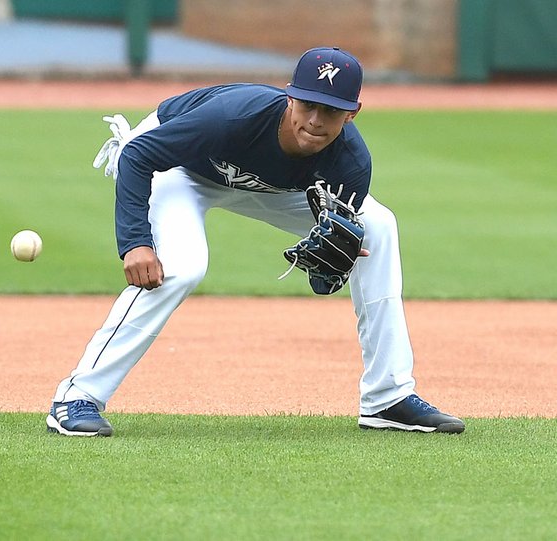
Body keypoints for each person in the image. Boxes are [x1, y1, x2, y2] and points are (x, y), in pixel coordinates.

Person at [46, 47, 465, 437]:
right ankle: (78, 396)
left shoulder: (351, 165)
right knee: (182, 266)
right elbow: (139, 155)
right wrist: (135, 242)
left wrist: (334, 260)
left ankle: (387, 397)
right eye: (308, 105)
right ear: (289, 99)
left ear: (353, 113)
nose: (316, 120)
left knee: (379, 224)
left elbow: (326, 277)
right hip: (179, 167)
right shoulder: (231, 117)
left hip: (276, 186)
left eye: (332, 111)